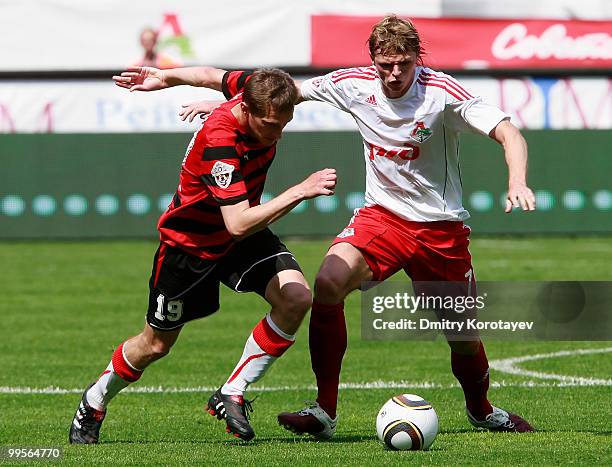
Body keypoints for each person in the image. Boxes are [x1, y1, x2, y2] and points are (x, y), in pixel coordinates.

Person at [173, 14, 537, 438]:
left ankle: (481, 409)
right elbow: (276, 91)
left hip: (439, 229)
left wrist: (517, 181)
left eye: (403, 63)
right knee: (328, 283)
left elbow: (509, 132)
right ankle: (324, 410)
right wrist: (227, 105)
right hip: (380, 218)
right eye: (386, 65)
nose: (395, 73)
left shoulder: (442, 93)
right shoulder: (353, 83)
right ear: (373, 61)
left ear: (418, 58)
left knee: (462, 334)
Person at [68, 66, 337, 444]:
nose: (278, 133)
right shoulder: (220, 141)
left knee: (296, 297)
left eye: (284, 122)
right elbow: (239, 223)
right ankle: (94, 401)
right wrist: (301, 190)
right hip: (192, 246)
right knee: (155, 345)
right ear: (246, 110)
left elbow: (213, 74)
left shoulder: (259, 88)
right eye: (270, 125)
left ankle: (233, 391)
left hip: (240, 237)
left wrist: (166, 77)